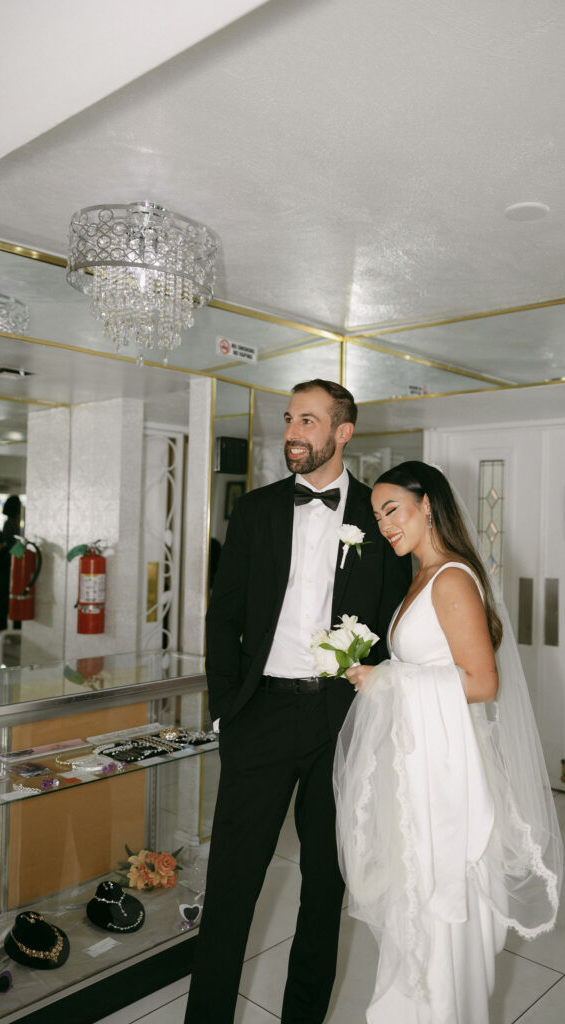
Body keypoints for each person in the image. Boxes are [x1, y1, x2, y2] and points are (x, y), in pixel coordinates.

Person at [185, 380, 411, 1023]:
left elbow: (399, 621)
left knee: (323, 890)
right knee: (231, 887)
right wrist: (228, 707)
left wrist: (379, 696)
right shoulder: (254, 510)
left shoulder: (378, 514)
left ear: (343, 432)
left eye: (308, 421)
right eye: (289, 419)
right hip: (259, 716)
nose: (292, 432)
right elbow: (223, 613)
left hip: (340, 721)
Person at [334, 461, 562, 1023]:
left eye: (393, 509)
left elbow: (484, 683)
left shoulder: (452, 577)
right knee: (413, 892)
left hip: (444, 773)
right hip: (421, 763)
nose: (384, 524)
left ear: (427, 505)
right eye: (377, 514)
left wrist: (387, 678)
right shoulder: (421, 575)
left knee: (438, 895)